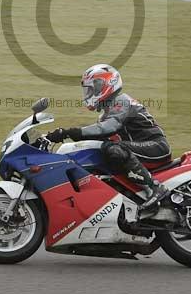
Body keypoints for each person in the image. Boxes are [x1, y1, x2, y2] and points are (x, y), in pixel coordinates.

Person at [45, 64, 171, 212]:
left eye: (95, 86)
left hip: (155, 146)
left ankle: (154, 187)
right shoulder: (106, 115)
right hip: (138, 148)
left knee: (114, 149)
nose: (92, 91)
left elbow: (109, 127)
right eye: (89, 88)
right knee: (100, 151)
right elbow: (96, 136)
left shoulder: (122, 101)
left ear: (109, 83)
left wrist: (69, 132)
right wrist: (57, 137)